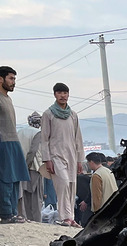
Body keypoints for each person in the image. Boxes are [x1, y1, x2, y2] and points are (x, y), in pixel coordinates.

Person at [0, 66, 30, 225]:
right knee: (4, 180)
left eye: (14, 79)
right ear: (0, 79)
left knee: (15, 180)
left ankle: (13, 213)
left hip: (13, 142)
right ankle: (6, 214)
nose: (13, 82)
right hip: (0, 144)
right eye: (11, 78)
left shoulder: (7, 98)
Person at [40, 83, 85, 227]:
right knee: (63, 183)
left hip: (71, 155)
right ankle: (64, 216)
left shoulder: (73, 115)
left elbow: (78, 138)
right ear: (55, 95)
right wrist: (47, 159)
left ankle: (70, 218)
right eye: (59, 93)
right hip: (55, 155)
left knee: (72, 186)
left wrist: (80, 160)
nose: (63, 95)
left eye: (65, 93)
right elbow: (44, 138)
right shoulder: (48, 114)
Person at [16, 112, 44, 222]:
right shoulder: (38, 133)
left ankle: (27, 218)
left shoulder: (19, 132)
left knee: (25, 196)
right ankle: (36, 220)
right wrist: (27, 164)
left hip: (20, 167)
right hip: (35, 167)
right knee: (37, 198)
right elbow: (33, 151)